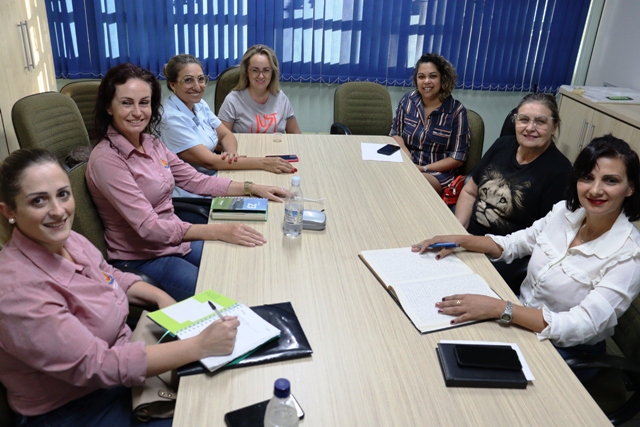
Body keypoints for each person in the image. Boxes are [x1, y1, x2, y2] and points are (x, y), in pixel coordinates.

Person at [0, 148, 240, 426]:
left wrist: (163, 298)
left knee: (224, 386)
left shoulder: (67, 240)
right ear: (9, 212)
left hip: (124, 364)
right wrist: (199, 346)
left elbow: (110, 274)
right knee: (206, 414)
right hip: (78, 408)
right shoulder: (17, 291)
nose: (58, 211)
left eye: (63, 194)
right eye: (38, 201)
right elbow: (97, 365)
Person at [413, 135, 640, 379]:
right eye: (587, 177)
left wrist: (500, 308)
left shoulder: (629, 255)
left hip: (567, 350)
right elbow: (515, 243)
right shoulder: (565, 212)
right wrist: (461, 240)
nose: (596, 190)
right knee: (441, 340)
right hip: (519, 318)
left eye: (611, 181)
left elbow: (581, 325)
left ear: (630, 187)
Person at [86, 63, 288, 301]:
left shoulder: (151, 142)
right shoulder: (107, 160)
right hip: (144, 257)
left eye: (144, 102)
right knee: (226, 291)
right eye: (126, 103)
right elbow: (150, 228)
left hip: (176, 241)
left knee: (243, 265)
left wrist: (251, 188)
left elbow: (196, 180)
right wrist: (220, 231)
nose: (138, 112)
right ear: (109, 107)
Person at [454, 92, 572, 294]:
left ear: (554, 126)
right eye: (524, 119)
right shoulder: (502, 145)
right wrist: (458, 233)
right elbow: (470, 192)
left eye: (540, 122)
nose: (530, 128)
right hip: (470, 238)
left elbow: (542, 239)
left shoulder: (560, 172)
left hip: (506, 255)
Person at [159, 54, 295, 200]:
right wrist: (263, 162)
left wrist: (231, 153)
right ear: (172, 84)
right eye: (188, 80)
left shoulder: (199, 104)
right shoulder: (170, 118)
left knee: (273, 186)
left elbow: (226, 134)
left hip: (217, 175)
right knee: (266, 197)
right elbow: (209, 162)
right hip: (194, 191)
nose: (197, 87)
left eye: (200, 79)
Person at [390, 53, 469, 194]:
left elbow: (457, 158)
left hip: (437, 173)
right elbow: (395, 133)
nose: (426, 81)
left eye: (433, 76)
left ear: (443, 79)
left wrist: (424, 168)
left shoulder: (456, 111)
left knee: (410, 184)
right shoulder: (408, 100)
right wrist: (406, 153)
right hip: (407, 164)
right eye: (421, 77)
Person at [218, 44, 301, 134]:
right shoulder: (232, 100)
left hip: (276, 147)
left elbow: (296, 136)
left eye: (266, 70)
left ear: (272, 72)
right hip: (244, 148)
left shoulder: (281, 98)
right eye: (255, 70)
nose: (261, 76)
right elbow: (220, 141)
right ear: (246, 72)